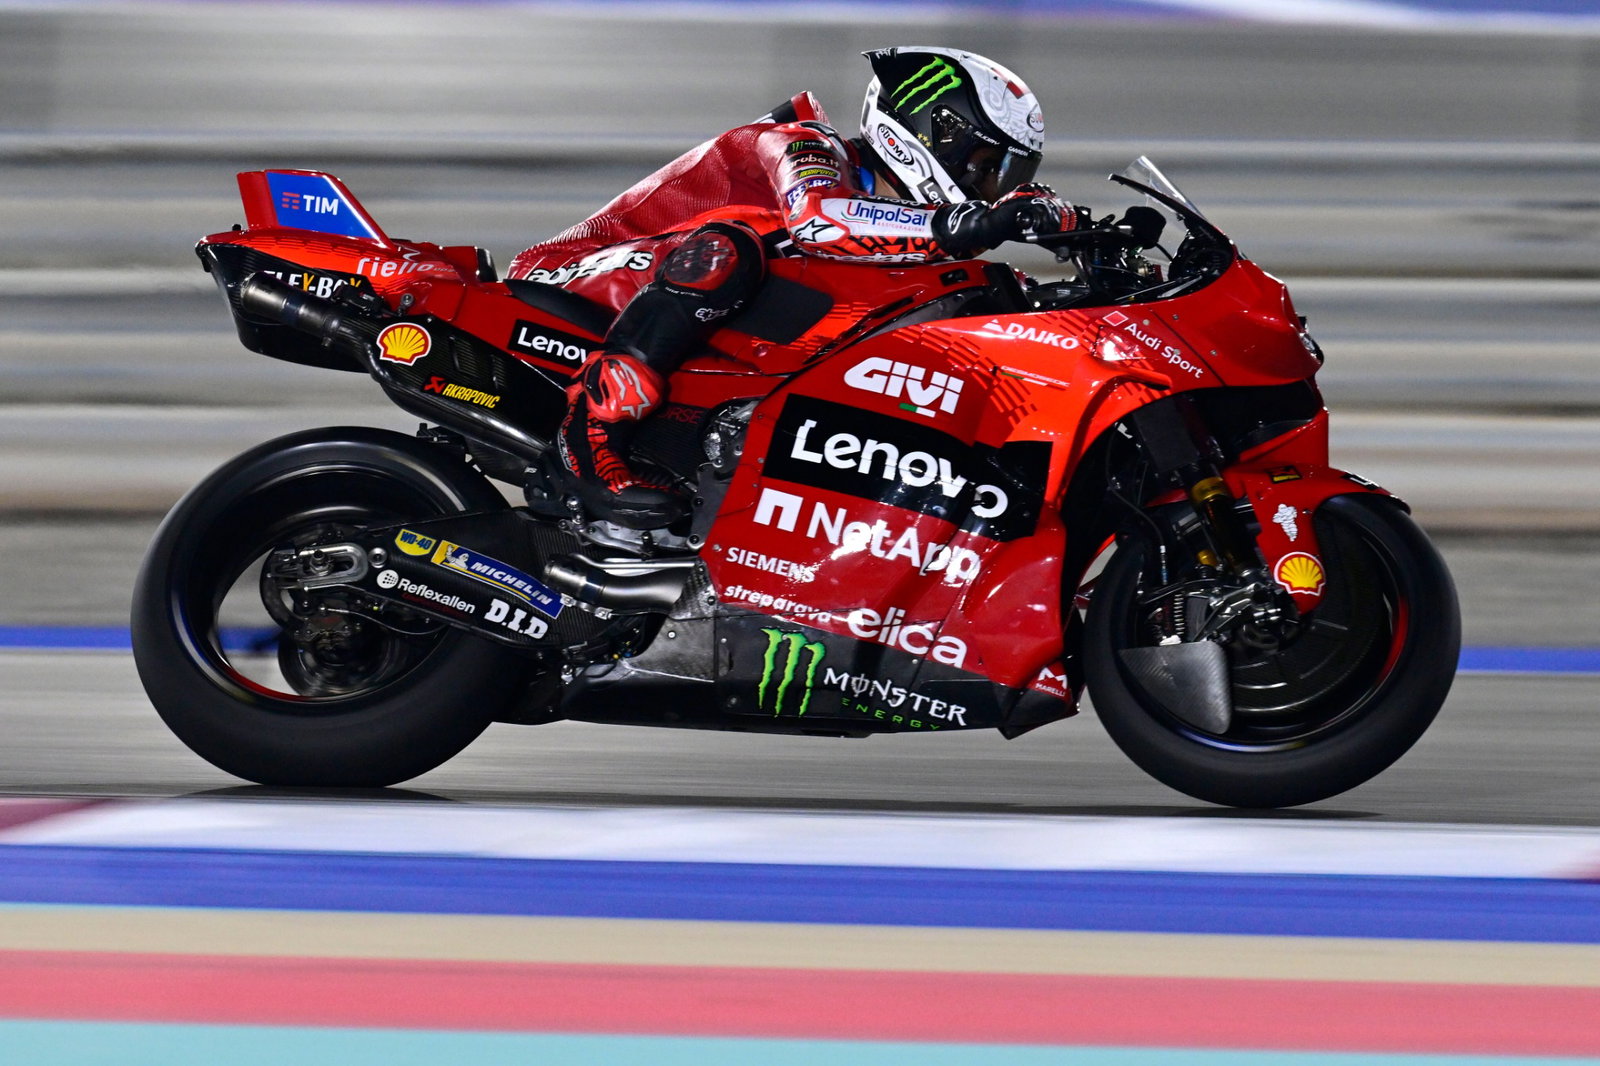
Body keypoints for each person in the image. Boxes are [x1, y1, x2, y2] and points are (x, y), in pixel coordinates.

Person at [508, 46, 1080, 528]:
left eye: (1006, 177)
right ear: (935, 130)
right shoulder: (801, 140)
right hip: (575, 274)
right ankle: (588, 435)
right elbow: (820, 220)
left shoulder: (885, 219)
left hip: (666, 303)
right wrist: (967, 223)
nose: (986, 186)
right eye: (985, 165)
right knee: (732, 244)